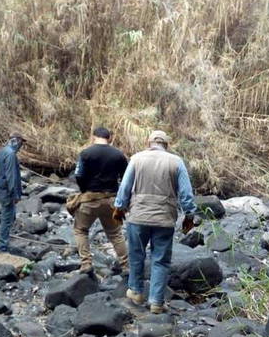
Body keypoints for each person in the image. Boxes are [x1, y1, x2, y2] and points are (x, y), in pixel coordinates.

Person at [113, 130, 197, 314]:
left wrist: (119, 208)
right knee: (160, 260)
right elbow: (185, 193)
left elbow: (125, 187)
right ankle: (157, 302)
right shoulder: (176, 162)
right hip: (165, 218)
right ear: (166, 144)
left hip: (138, 216)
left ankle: (135, 291)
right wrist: (189, 215)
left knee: (136, 255)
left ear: (148, 142)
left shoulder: (137, 158)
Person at [71, 126, 129, 275]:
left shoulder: (86, 153)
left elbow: (78, 175)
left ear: (94, 136)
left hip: (89, 199)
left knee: (81, 230)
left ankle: (86, 263)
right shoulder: (118, 155)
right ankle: (126, 265)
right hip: (111, 200)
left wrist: (84, 190)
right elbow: (126, 179)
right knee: (116, 234)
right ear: (108, 138)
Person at [0, 132, 25, 253]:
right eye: (21, 143)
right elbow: (11, 176)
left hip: (1, 189)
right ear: (17, 141)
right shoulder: (11, 154)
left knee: (8, 217)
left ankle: (3, 242)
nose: (21, 146)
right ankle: (2, 246)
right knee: (7, 219)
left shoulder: (3, 151)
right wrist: (15, 195)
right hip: (7, 192)